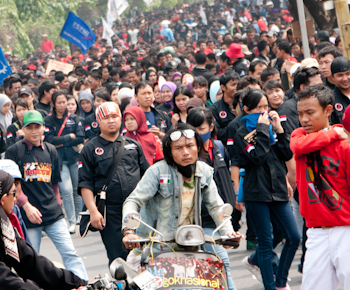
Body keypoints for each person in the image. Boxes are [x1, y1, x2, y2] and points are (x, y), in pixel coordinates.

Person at [121, 123, 240, 269]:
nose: (186, 152)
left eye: (190, 146)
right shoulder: (157, 172)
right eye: (178, 148)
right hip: (154, 251)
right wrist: (129, 231)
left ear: (198, 147)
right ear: (170, 152)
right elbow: (133, 201)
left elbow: (216, 206)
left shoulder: (205, 172)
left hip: (190, 249)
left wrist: (228, 233)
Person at [0, 167, 87, 290]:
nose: (15, 199)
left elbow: (33, 264)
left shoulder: (3, 229)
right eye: (13, 193)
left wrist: (78, 283)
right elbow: (3, 280)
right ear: (3, 199)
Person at [5, 110, 88, 280]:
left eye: (38, 127)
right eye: (30, 128)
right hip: (28, 215)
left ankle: (82, 282)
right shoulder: (14, 151)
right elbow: (11, 186)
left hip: (52, 213)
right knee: (30, 259)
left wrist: (57, 201)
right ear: (23, 129)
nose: (34, 131)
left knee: (69, 252)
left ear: (43, 127)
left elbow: (55, 181)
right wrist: (26, 206)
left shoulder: (50, 150)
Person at [233, 89, 300, 290]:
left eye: (266, 107)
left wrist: (279, 129)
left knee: (293, 236)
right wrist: (262, 129)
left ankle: (280, 280)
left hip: (278, 187)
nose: (263, 111)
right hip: (256, 191)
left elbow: (286, 153)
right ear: (246, 109)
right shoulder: (240, 132)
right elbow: (258, 157)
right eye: (258, 108)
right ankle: (270, 286)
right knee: (265, 241)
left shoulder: (271, 127)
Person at [291, 85, 350, 289]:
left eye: (310, 113)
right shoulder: (300, 137)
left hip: (346, 228)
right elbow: (297, 146)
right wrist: (335, 133)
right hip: (316, 231)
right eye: (300, 114)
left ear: (328, 110)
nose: (304, 119)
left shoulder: (345, 146)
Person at [79, 102, 149, 264]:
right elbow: (85, 184)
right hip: (110, 212)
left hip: (136, 210)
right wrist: (93, 211)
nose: (111, 121)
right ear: (98, 121)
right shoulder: (90, 149)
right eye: (106, 118)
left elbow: (147, 176)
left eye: (114, 117)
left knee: (142, 254)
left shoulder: (133, 145)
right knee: (118, 256)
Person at [186, 108, 238, 290]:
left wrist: (235, 197)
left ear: (211, 127)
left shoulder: (219, 147)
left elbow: (227, 177)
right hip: (201, 219)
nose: (197, 133)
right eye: (193, 128)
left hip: (222, 216)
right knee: (221, 262)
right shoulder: (186, 156)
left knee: (210, 269)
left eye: (201, 128)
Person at [43, 90, 85, 233]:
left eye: (64, 102)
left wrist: (60, 142)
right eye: (59, 102)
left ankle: (79, 218)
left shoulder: (74, 118)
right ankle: (72, 221)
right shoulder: (48, 120)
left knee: (76, 189)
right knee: (66, 190)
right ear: (53, 104)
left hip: (74, 157)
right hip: (58, 161)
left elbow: (80, 137)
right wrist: (68, 138)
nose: (62, 105)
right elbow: (50, 140)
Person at [210, 71, 239, 146]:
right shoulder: (215, 109)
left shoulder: (244, 105)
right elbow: (216, 132)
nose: (236, 88)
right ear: (223, 87)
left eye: (238, 84)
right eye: (233, 85)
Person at [330, 56, 350, 124]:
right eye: (340, 75)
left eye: (348, 74)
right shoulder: (330, 100)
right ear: (332, 77)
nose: (345, 79)